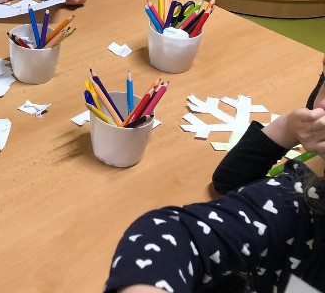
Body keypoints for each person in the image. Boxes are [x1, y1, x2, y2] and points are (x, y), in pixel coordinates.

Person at [104, 55, 325, 293]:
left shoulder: (306, 211)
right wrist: (287, 129)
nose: (321, 106)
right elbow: (172, 231)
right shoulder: (299, 205)